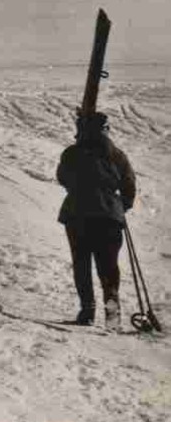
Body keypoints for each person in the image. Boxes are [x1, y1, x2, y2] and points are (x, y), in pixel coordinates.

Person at [56, 111, 138, 328]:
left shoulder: (72, 153)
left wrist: (79, 189)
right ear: (105, 130)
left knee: (81, 263)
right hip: (109, 217)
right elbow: (129, 185)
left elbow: (62, 177)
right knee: (109, 267)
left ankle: (87, 312)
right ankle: (112, 317)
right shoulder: (117, 155)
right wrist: (120, 206)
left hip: (77, 215)